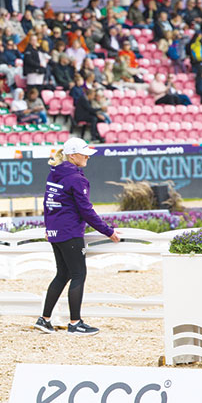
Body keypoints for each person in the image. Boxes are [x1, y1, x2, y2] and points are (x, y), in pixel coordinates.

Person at [34, 137, 120, 336]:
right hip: (70, 232)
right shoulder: (76, 179)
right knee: (78, 274)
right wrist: (108, 231)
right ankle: (75, 323)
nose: (88, 158)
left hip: (55, 232)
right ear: (72, 156)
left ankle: (44, 319)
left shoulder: (54, 174)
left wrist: (49, 228)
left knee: (62, 274)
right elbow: (86, 211)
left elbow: (48, 203)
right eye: (84, 154)